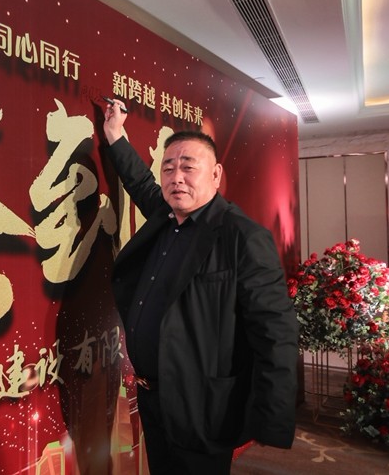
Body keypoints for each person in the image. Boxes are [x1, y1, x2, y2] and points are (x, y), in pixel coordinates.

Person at [101, 98, 299, 474]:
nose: (176, 177)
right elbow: (140, 183)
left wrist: (271, 418)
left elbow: (276, 331)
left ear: (215, 174)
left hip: (202, 404)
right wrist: (115, 135)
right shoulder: (165, 216)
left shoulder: (242, 236)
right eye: (168, 168)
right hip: (152, 396)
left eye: (188, 167)